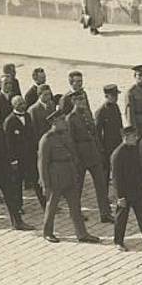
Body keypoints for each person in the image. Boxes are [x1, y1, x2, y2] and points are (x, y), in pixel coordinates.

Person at [39, 109, 100, 244]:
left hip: (69, 175)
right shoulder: (47, 139)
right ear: (54, 122)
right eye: (61, 120)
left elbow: (72, 155)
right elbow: (42, 164)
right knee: (52, 206)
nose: (65, 123)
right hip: (56, 178)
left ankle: (82, 233)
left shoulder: (66, 135)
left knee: (75, 207)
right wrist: (45, 184)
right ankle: (47, 232)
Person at [67, 92, 114, 223]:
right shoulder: (70, 118)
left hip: (93, 154)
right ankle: (75, 213)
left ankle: (105, 213)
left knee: (101, 185)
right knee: (78, 187)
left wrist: (100, 150)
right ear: (73, 102)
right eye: (79, 100)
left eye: (83, 99)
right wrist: (75, 159)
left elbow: (95, 134)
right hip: (80, 156)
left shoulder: (87, 113)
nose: (82, 102)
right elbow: (70, 141)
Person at [4, 95, 46, 213]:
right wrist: (13, 160)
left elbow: (32, 134)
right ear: (14, 106)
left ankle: (44, 203)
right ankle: (18, 206)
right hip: (19, 158)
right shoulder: (9, 121)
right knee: (18, 183)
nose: (23, 106)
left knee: (37, 180)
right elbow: (8, 143)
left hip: (31, 155)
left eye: (23, 103)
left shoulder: (27, 116)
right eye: (20, 104)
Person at [95, 84, 124, 189]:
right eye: (113, 95)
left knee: (119, 172)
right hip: (106, 147)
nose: (116, 98)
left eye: (116, 95)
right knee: (105, 175)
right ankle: (104, 198)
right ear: (106, 96)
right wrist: (101, 150)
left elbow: (120, 126)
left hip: (117, 144)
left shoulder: (116, 107)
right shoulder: (101, 112)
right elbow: (97, 134)